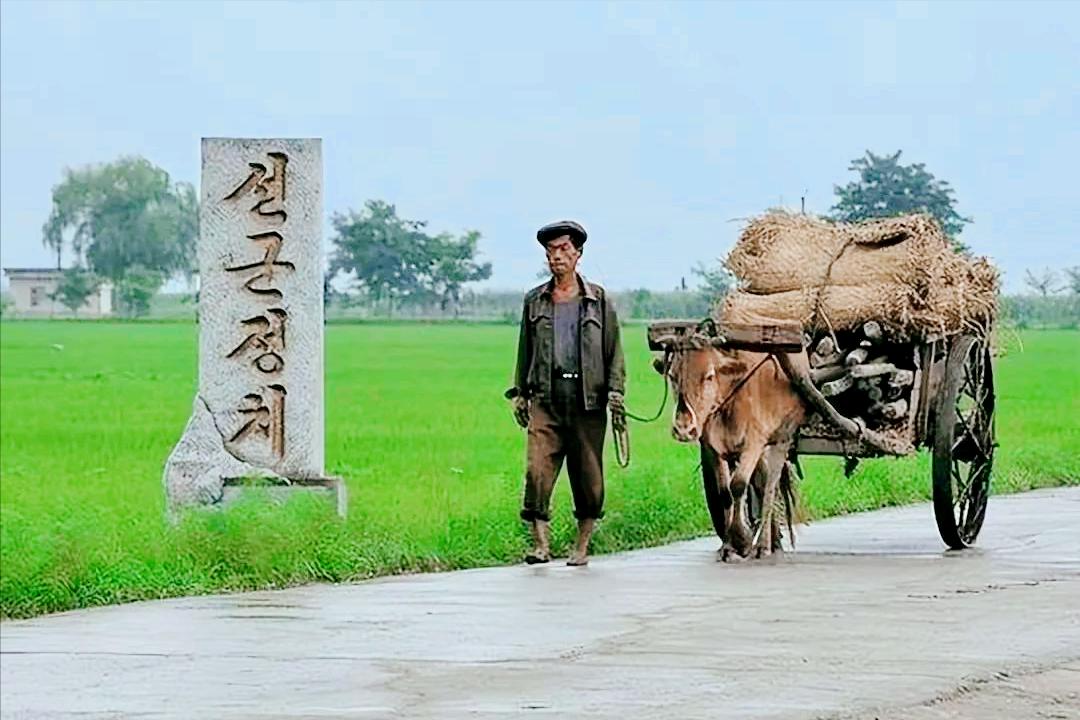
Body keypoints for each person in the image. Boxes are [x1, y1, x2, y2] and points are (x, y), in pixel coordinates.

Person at [505, 220, 626, 566]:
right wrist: (520, 393)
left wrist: (615, 391)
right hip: (546, 397)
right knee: (536, 471)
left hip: (587, 399)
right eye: (550, 251)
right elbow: (524, 350)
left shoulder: (598, 301)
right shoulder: (535, 301)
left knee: (588, 474)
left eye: (563, 250)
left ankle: (581, 546)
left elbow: (613, 350)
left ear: (578, 255)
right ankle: (541, 546)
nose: (556, 257)